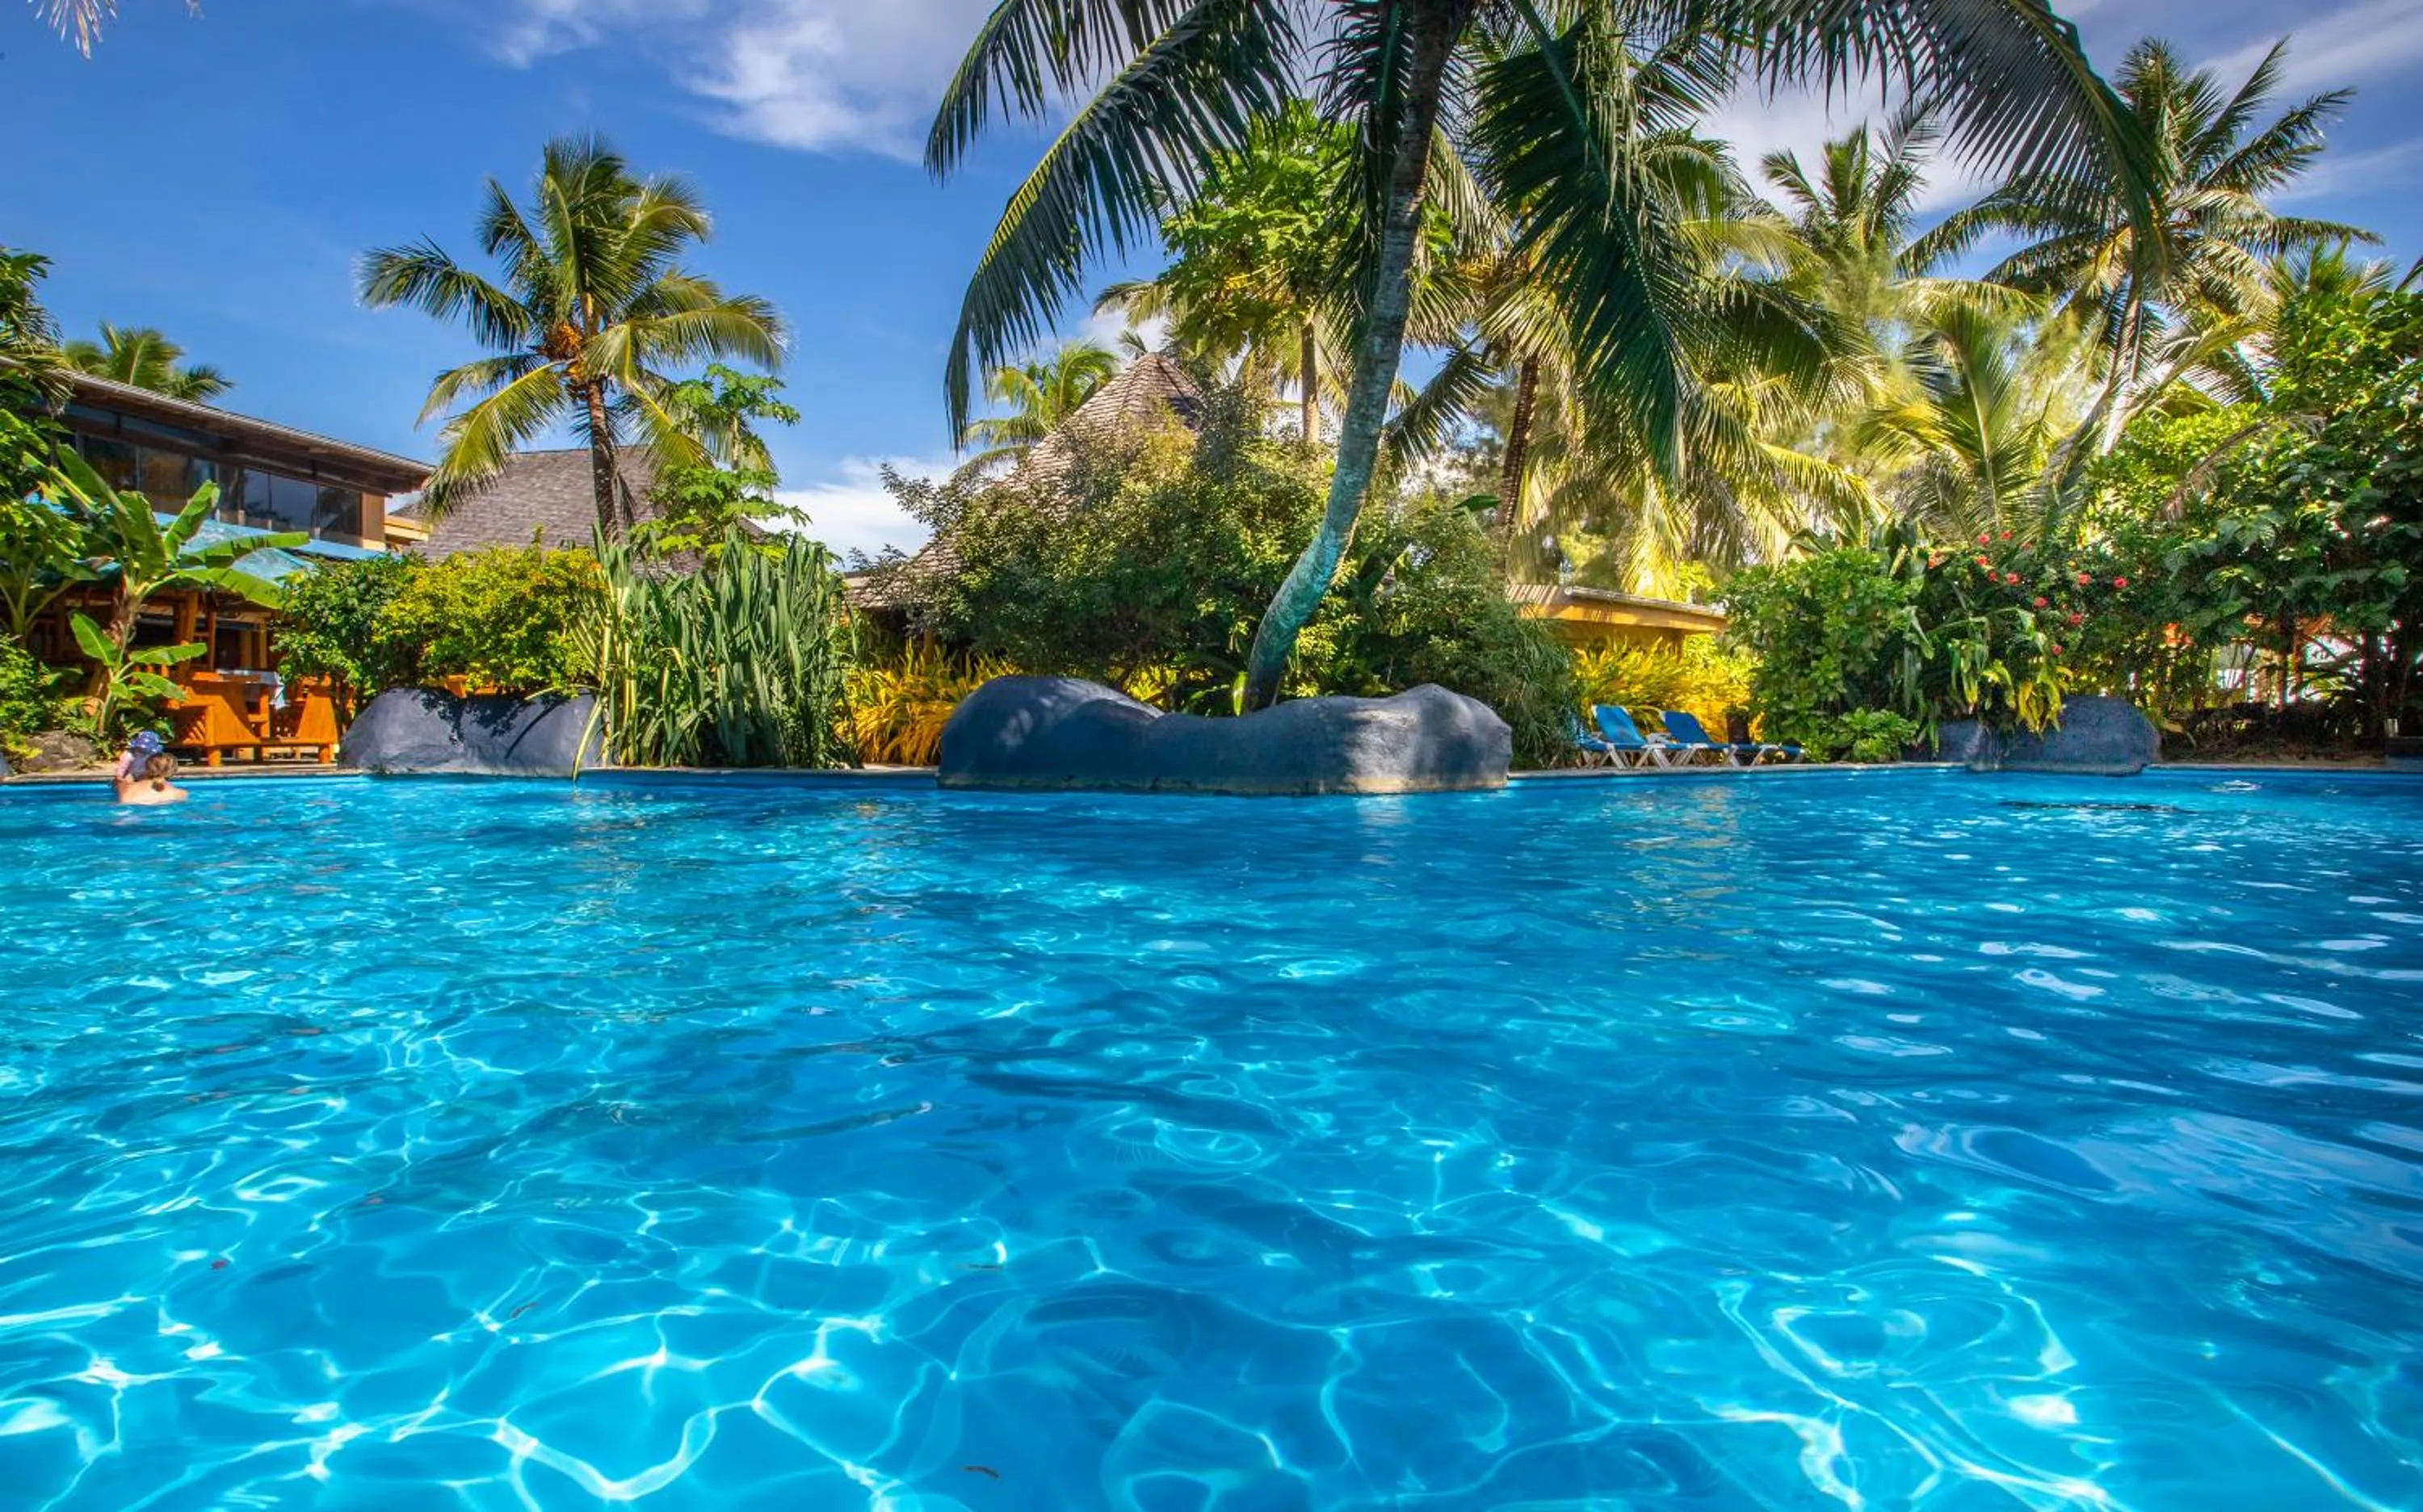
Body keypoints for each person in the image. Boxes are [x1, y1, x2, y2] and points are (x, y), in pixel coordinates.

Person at [112, 733, 188, 806]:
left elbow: (118, 780)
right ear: (172, 772)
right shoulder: (181, 794)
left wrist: (119, 780)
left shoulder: (125, 790)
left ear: (146, 766)